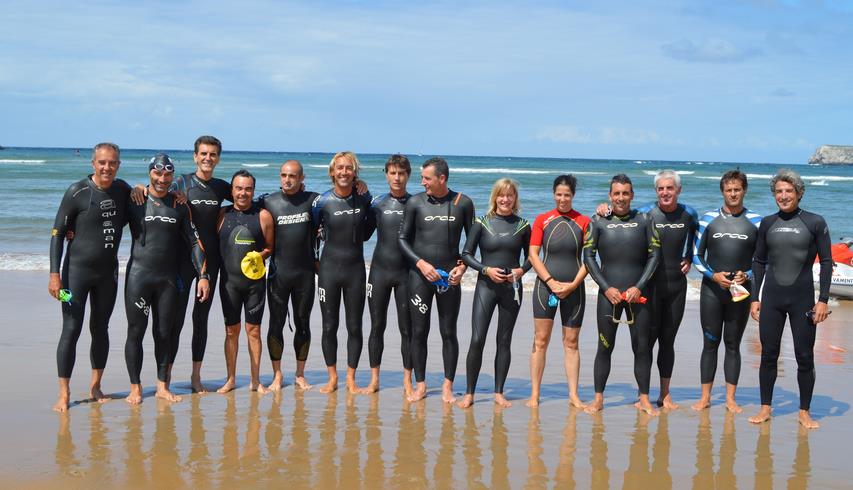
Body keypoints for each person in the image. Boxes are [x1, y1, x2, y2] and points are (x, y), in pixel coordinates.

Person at [597, 169, 697, 409]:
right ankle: (643, 395)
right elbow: (620, 220)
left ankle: (665, 394)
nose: (665, 192)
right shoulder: (644, 213)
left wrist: (690, 258)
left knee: (668, 341)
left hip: (676, 287)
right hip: (648, 288)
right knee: (644, 343)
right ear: (655, 191)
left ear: (678, 190)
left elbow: (695, 241)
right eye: (661, 188)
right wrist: (603, 209)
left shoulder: (689, 214)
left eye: (670, 188)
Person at [49, 142, 131, 412]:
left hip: (108, 275)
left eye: (112, 163)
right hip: (72, 276)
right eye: (102, 162)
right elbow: (57, 233)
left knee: (101, 328)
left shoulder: (123, 190)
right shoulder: (77, 191)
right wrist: (54, 276)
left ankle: (96, 386)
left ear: (118, 165)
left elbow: (148, 205)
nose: (107, 167)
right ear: (93, 164)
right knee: (70, 329)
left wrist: (148, 190)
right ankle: (64, 392)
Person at [748, 169, 832, 429]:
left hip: (803, 300)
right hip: (772, 298)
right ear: (774, 195)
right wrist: (754, 298)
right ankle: (765, 408)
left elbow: (827, 262)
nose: (783, 196)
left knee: (804, 356)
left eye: (788, 191)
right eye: (779, 191)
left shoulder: (815, 222)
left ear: (799, 192)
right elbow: (759, 261)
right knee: (768, 355)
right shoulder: (767, 223)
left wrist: (823, 300)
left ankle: (804, 411)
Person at [124, 154, 210, 404]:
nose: (162, 178)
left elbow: (194, 241)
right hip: (138, 276)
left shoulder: (180, 205)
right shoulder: (135, 200)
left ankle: (162, 386)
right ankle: (135, 387)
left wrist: (203, 275)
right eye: (157, 173)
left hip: (167, 280)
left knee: (164, 333)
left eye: (167, 174)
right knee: (135, 332)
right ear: (150, 173)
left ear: (172, 177)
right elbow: (104, 220)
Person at [399, 157, 475, 403]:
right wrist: (421, 264)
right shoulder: (415, 203)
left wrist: (462, 268)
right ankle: (421, 385)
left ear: (442, 178)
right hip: (420, 277)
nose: (422, 183)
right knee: (418, 332)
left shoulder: (463, 203)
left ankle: (447, 386)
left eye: (427, 178)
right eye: (422, 178)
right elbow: (402, 239)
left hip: (449, 279)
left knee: (448, 332)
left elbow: (471, 244)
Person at [584, 174, 660, 415]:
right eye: (616, 193)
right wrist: (606, 288)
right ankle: (598, 399)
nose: (620, 198)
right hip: (609, 296)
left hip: (638, 295)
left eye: (625, 193)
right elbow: (588, 257)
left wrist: (639, 286)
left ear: (632, 195)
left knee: (642, 347)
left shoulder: (645, 220)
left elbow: (654, 256)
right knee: (604, 347)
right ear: (610, 195)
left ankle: (645, 398)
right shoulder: (597, 221)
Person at [691, 170, 761, 412]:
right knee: (710, 344)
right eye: (729, 189)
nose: (733, 193)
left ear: (744, 190)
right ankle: (705, 397)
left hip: (740, 291)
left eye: (737, 189)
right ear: (723, 191)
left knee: (733, 344)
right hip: (713, 290)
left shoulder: (756, 221)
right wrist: (713, 275)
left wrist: (749, 274)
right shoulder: (708, 219)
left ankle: (731, 399)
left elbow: (763, 260)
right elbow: (696, 256)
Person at [458, 178, 530, 408]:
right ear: (495, 197)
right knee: (477, 339)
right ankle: (470, 393)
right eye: (501, 195)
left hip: (512, 288)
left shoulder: (523, 225)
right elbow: (466, 254)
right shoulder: (482, 223)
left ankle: (499, 392)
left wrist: (520, 271)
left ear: (515, 199)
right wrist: (485, 269)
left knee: (504, 341)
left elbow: (532, 258)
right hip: (485, 287)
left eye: (510, 195)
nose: (505, 199)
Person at [167, 136, 230, 393]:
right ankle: (167, 376)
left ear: (218, 158)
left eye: (212, 154)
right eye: (203, 154)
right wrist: (137, 189)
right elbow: (155, 192)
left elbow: (248, 199)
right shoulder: (181, 182)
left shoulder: (221, 187)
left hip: (211, 263)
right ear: (195, 156)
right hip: (183, 261)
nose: (208, 158)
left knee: (200, 319)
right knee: (176, 320)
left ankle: (195, 376)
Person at [311, 151, 374, 394]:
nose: (344, 172)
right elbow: (311, 234)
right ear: (332, 172)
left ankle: (351, 378)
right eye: (340, 168)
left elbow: (369, 230)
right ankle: (332, 378)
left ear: (355, 172)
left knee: (355, 326)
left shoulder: (364, 199)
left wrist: (365, 190)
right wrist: (316, 263)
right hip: (328, 271)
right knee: (329, 326)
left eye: (349, 168)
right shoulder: (322, 202)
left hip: (356, 271)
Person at [526, 174, 589, 409]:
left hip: (574, 289)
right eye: (559, 194)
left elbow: (589, 260)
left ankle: (573, 395)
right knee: (540, 340)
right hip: (546, 288)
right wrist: (551, 282)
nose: (563, 199)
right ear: (554, 194)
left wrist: (572, 284)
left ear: (573, 195)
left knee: (571, 342)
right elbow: (533, 255)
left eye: (567, 195)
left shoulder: (584, 222)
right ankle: (534, 394)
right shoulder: (542, 219)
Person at [260, 160, 319, 391]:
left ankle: (300, 374)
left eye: (293, 176)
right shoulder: (268, 201)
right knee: (275, 325)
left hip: (304, 275)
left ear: (301, 178)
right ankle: (277, 375)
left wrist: (360, 183)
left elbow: (341, 193)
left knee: (303, 324)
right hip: (278, 275)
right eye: (284, 175)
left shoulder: (313, 200)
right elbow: (238, 202)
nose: (287, 179)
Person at [216, 169, 274, 394]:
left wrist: (261, 255)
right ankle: (230, 379)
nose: (243, 193)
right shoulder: (221, 215)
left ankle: (256, 380)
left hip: (255, 285)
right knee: (231, 331)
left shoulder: (263, 216)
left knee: (254, 331)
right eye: (239, 188)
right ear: (232, 190)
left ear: (253, 190)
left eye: (248, 189)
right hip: (229, 283)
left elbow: (270, 247)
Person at [362, 155, 413, 395]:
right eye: (392, 173)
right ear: (386, 175)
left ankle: (407, 381)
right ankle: (374, 380)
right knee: (376, 327)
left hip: (406, 275)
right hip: (379, 272)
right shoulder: (377, 204)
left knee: (407, 329)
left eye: (401, 173)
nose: (397, 178)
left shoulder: (416, 204)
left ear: (408, 176)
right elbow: (361, 234)